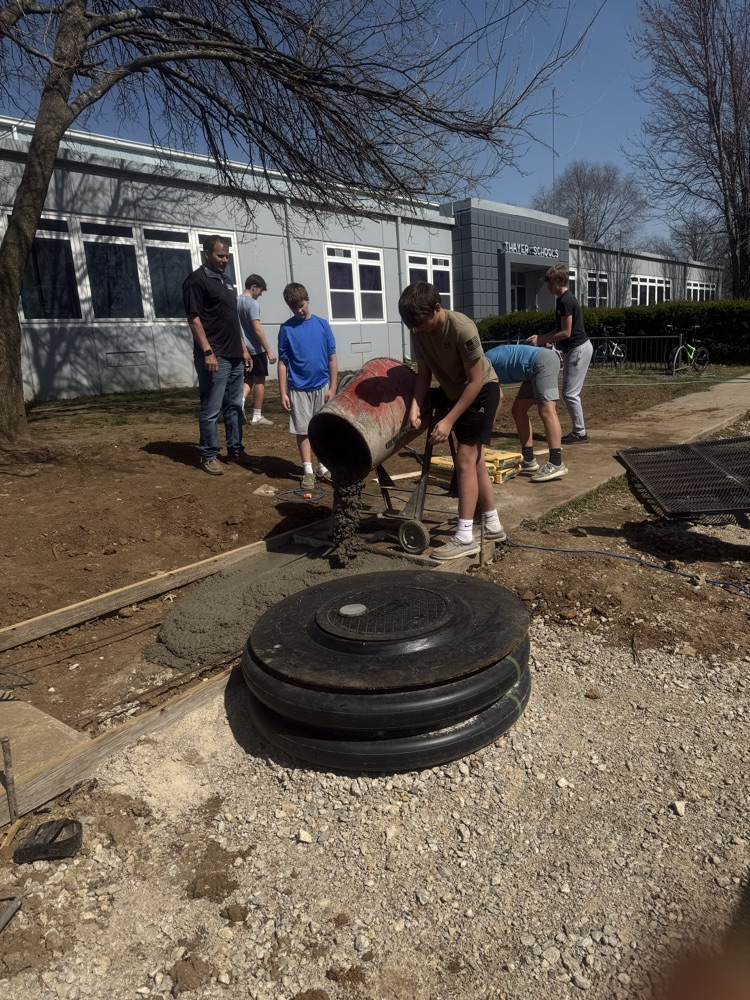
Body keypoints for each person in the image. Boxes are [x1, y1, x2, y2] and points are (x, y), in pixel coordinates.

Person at [398, 281, 505, 561]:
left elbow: (475, 380)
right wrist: (414, 407)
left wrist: (447, 421)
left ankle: (465, 537)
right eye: (414, 326)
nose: (419, 330)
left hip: (480, 392)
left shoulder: (462, 329)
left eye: (423, 323)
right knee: (477, 460)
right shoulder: (418, 329)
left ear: (437, 308)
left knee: (466, 461)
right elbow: (423, 375)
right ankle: (493, 525)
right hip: (454, 391)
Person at [183, 235, 253, 475]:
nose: (224, 260)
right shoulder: (196, 281)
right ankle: (209, 454)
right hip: (215, 356)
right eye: (220, 255)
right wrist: (207, 352)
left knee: (235, 405)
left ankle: (235, 450)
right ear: (207, 254)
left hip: (234, 354)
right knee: (212, 407)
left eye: (227, 256)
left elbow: (233, 320)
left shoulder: (227, 281)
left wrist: (244, 349)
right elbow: (194, 319)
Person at [277, 283, 337, 489]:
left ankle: (324, 467)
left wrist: (333, 387)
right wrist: (283, 392)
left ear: (307, 300)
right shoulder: (286, 329)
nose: (300, 310)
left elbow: (332, 358)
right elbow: (283, 362)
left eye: (302, 305)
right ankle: (308, 470)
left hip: (322, 386)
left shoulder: (322, 325)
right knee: (303, 430)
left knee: (322, 430)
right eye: (295, 308)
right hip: (298, 389)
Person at [526, 263, 592, 444]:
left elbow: (566, 332)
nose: (547, 285)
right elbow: (561, 330)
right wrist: (545, 338)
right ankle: (579, 431)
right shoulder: (562, 300)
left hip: (578, 349)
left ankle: (580, 433)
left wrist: (541, 339)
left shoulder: (565, 300)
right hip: (576, 348)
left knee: (570, 394)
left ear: (559, 280)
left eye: (549, 281)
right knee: (570, 393)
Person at [484, 343, 568, 482]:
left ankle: (556, 463)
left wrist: (485, 431)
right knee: (518, 410)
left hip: (543, 361)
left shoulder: (482, 366)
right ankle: (528, 460)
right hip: (531, 370)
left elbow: (497, 397)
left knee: (546, 409)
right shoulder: (484, 363)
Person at [237, 273, 277, 426]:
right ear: (254, 287)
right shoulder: (252, 304)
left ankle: (239, 402)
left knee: (249, 378)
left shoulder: (236, 301)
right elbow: (257, 329)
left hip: (242, 348)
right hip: (255, 348)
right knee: (260, 380)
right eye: (260, 291)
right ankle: (257, 416)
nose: (260, 295)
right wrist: (268, 350)